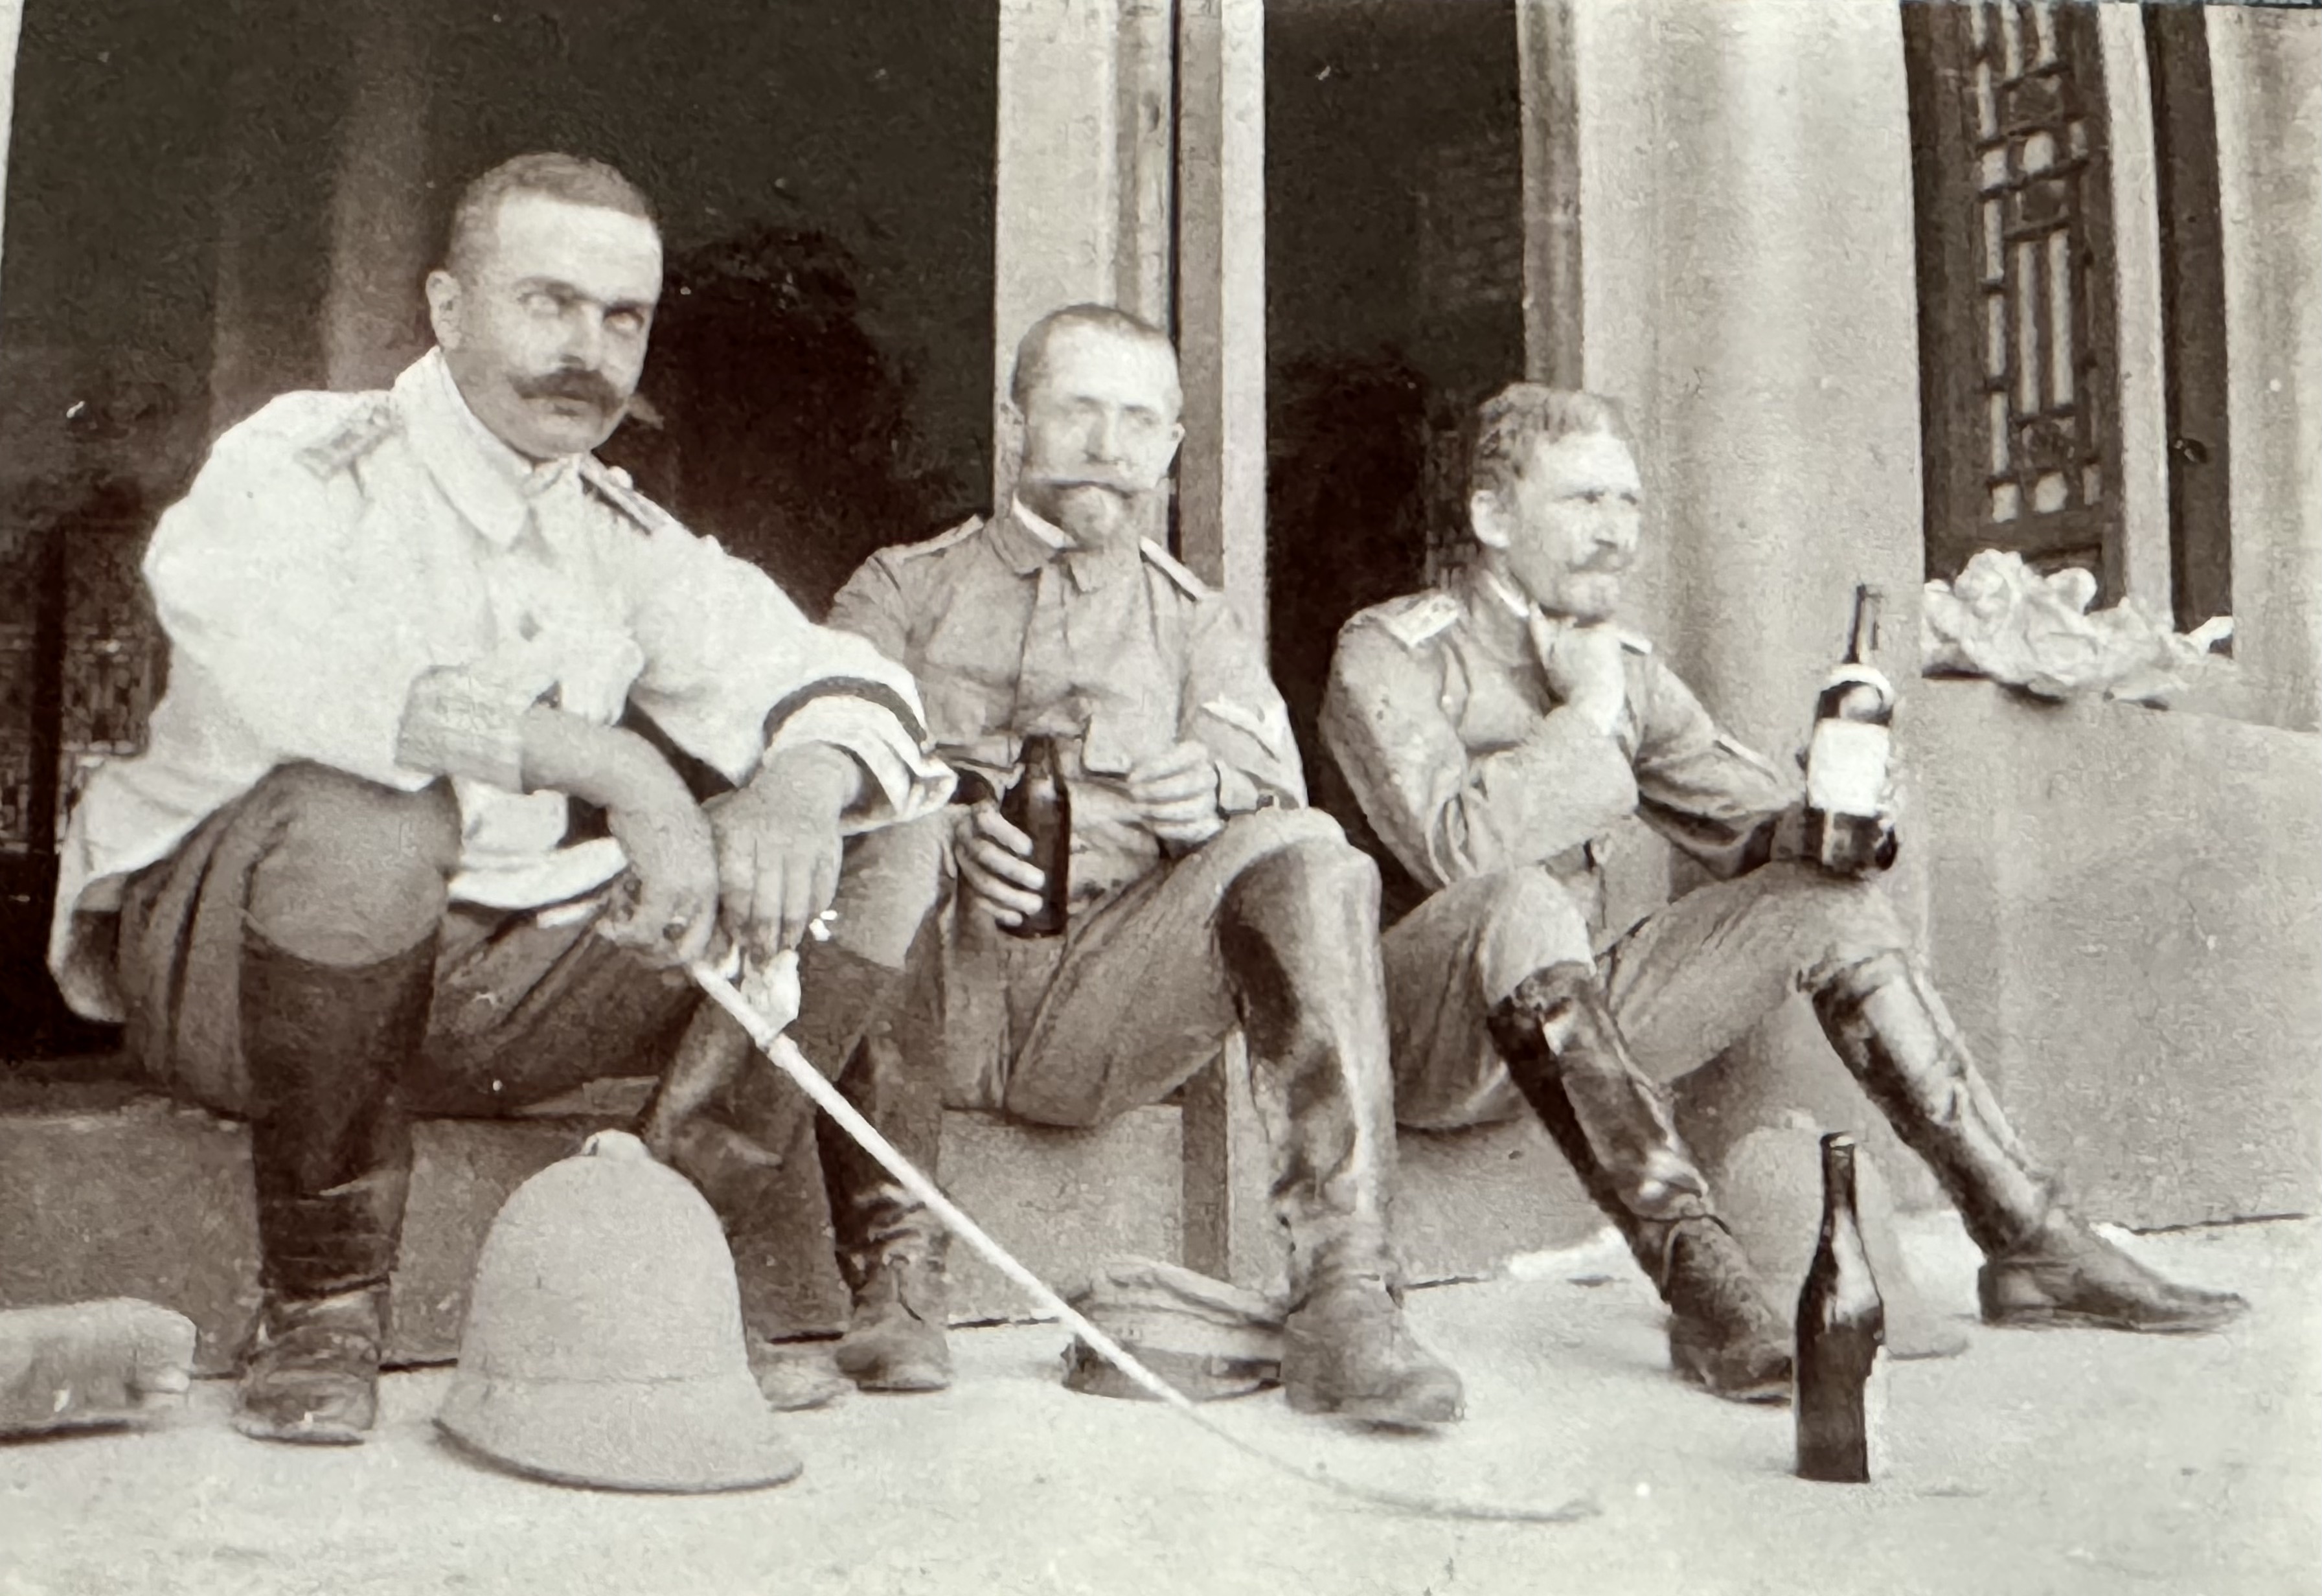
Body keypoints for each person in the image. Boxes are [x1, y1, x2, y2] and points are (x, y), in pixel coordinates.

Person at [44, 153, 953, 1445]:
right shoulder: (310, 456)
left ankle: (648, 1259)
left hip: (477, 976)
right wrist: (617, 765)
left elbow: (823, 669)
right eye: (549, 303)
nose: (589, 350)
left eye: (622, 317)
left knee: (885, 818)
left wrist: (798, 786)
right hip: (246, 973)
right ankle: (320, 1305)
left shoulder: (612, 527)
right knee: (371, 808)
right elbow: (310, 675)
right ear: (448, 308)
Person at [1321, 383, 2247, 1404]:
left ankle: (2032, 1235)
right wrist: (1586, 714)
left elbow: (1749, 826)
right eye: (1584, 501)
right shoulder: (1390, 652)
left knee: (1828, 901)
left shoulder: (1621, 664)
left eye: (1629, 505)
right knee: (1517, 904)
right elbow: (1457, 851)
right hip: (1411, 1038)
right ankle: (1708, 1291)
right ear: (1493, 517)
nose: (1617, 535)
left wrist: (1834, 813)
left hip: (1575, 1029)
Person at [819, 304, 1464, 1427]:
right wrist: (953, 812)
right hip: (925, 1004)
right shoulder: (901, 587)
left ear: (1169, 447)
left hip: (1101, 1013)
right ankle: (896, 1267)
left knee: (1308, 852)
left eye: (1138, 421)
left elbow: (1274, 795)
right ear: (1016, 422)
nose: (1107, 447)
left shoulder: (1193, 621)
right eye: (1077, 411)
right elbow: (822, 748)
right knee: (873, 820)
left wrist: (1215, 793)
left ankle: (1345, 1294)